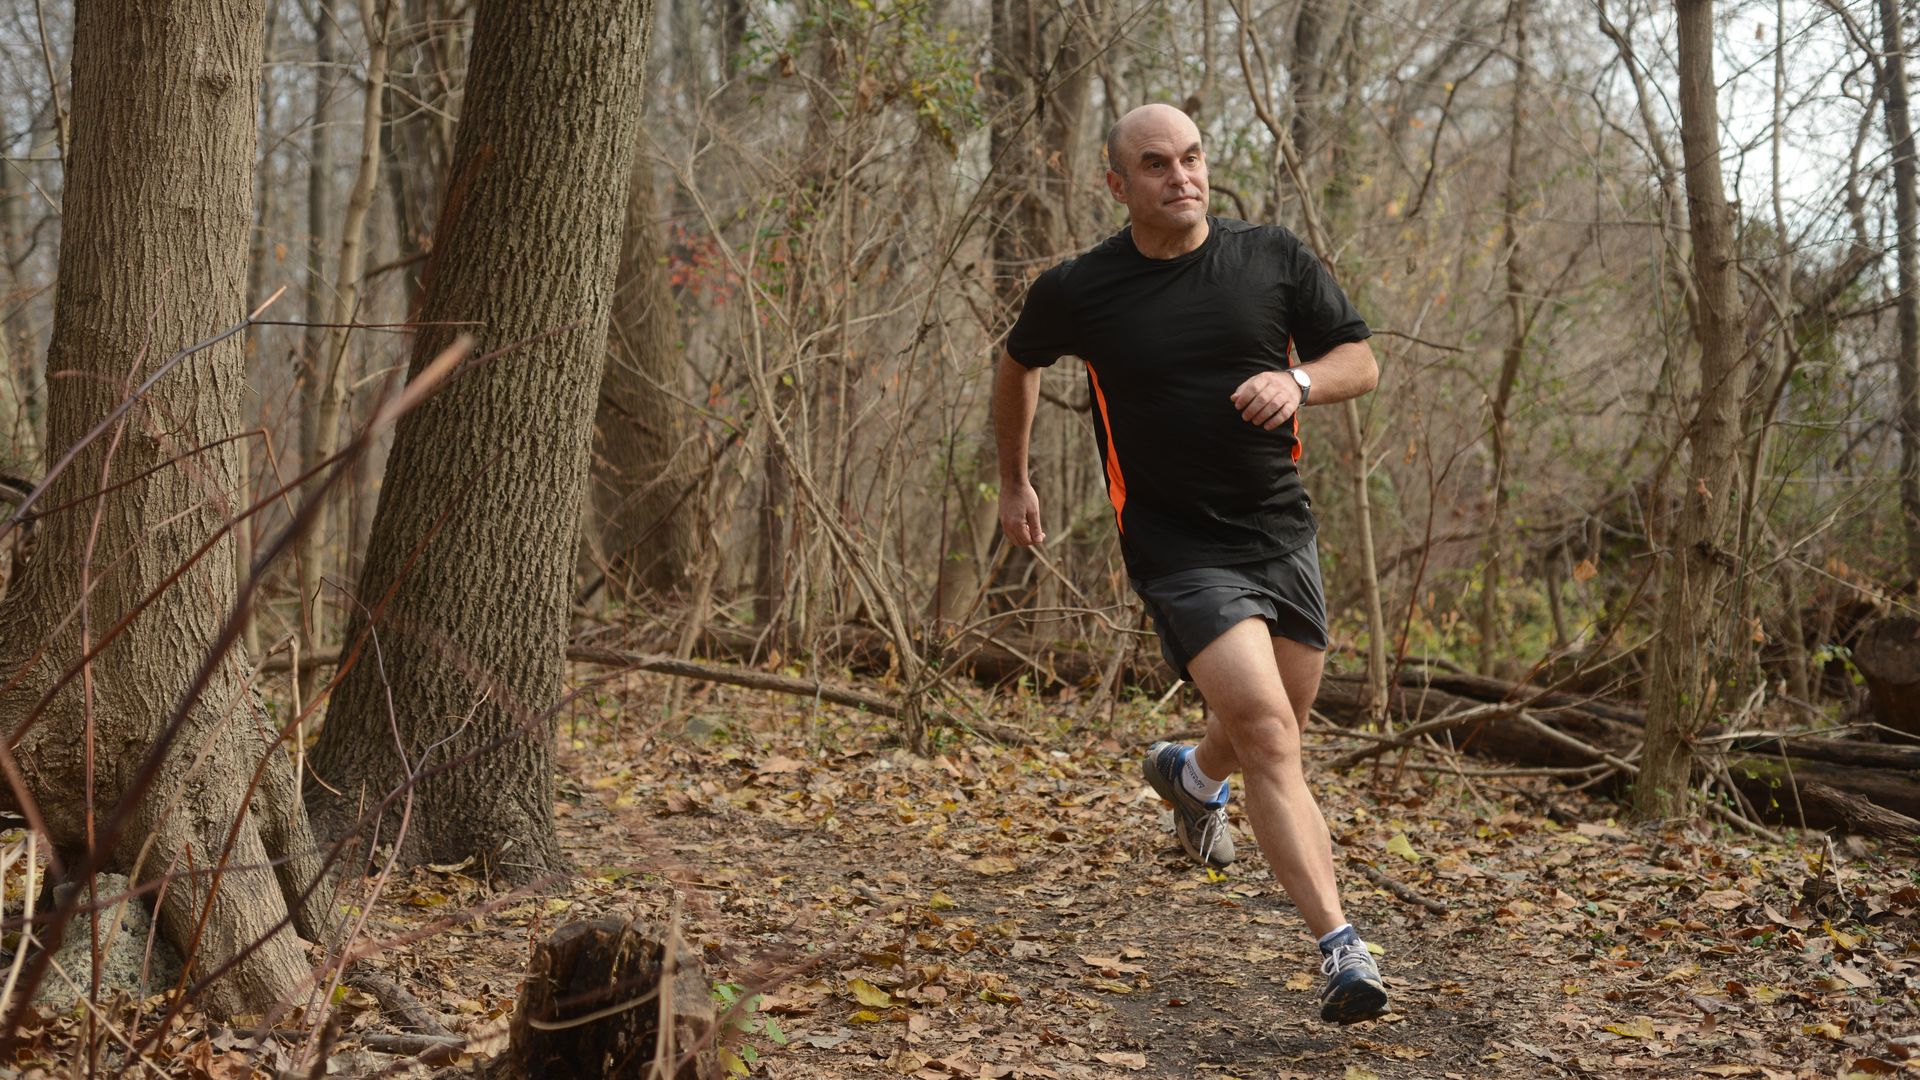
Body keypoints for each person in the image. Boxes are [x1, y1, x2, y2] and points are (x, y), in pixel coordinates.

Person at [992, 103, 1387, 1024]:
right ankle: (1341, 949)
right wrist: (1014, 482)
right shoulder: (1081, 289)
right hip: (1175, 545)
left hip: (1279, 531)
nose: (1182, 177)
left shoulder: (1271, 257)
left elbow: (1359, 361)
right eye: (1157, 164)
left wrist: (1296, 382)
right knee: (1271, 733)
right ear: (1117, 183)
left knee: (1280, 717)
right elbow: (1017, 363)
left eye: (1194, 158)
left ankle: (1191, 777)